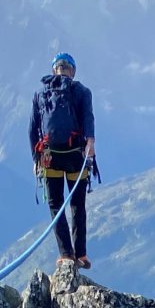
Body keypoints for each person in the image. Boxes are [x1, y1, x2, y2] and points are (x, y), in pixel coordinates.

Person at [29, 52, 96, 269]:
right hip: (76, 154)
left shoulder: (40, 94)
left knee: (56, 204)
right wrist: (90, 143)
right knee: (77, 204)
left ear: (54, 70)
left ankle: (66, 254)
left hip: (50, 157)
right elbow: (88, 118)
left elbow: (32, 129)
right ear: (72, 71)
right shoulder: (82, 92)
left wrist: (35, 158)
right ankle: (82, 254)